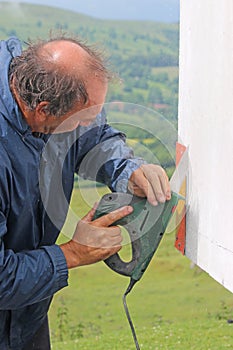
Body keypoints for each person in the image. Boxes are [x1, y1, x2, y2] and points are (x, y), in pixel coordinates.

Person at [0, 34, 171, 350]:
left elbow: (95, 137)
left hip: (27, 314)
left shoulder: (53, 100)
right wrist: (73, 254)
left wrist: (127, 169)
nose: (91, 123)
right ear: (43, 110)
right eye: (85, 118)